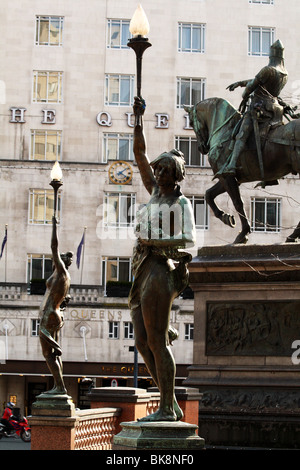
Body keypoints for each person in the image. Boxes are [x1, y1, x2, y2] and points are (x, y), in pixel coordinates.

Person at [128, 96, 196, 421]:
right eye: (156, 170)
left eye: (162, 170)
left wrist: (148, 238)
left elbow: (185, 242)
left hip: (160, 271)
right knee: (142, 342)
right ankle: (168, 402)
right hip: (142, 270)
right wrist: (138, 119)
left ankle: (167, 408)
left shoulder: (179, 204)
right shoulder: (155, 192)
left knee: (156, 339)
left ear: (173, 174)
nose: (156, 173)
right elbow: (138, 153)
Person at [220, 39, 288, 176]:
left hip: (260, 108)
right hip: (275, 110)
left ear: (271, 55)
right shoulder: (284, 73)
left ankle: (232, 165)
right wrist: (240, 83)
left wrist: (244, 94)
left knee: (241, 134)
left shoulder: (268, 69)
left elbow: (253, 85)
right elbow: (259, 82)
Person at [39, 216, 73, 395]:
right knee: (53, 353)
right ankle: (59, 386)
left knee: (47, 354)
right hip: (56, 313)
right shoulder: (66, 277)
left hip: (50, 314)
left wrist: (53, 225)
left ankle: (59, 386)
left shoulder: (61, 272)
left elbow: (54, 246)